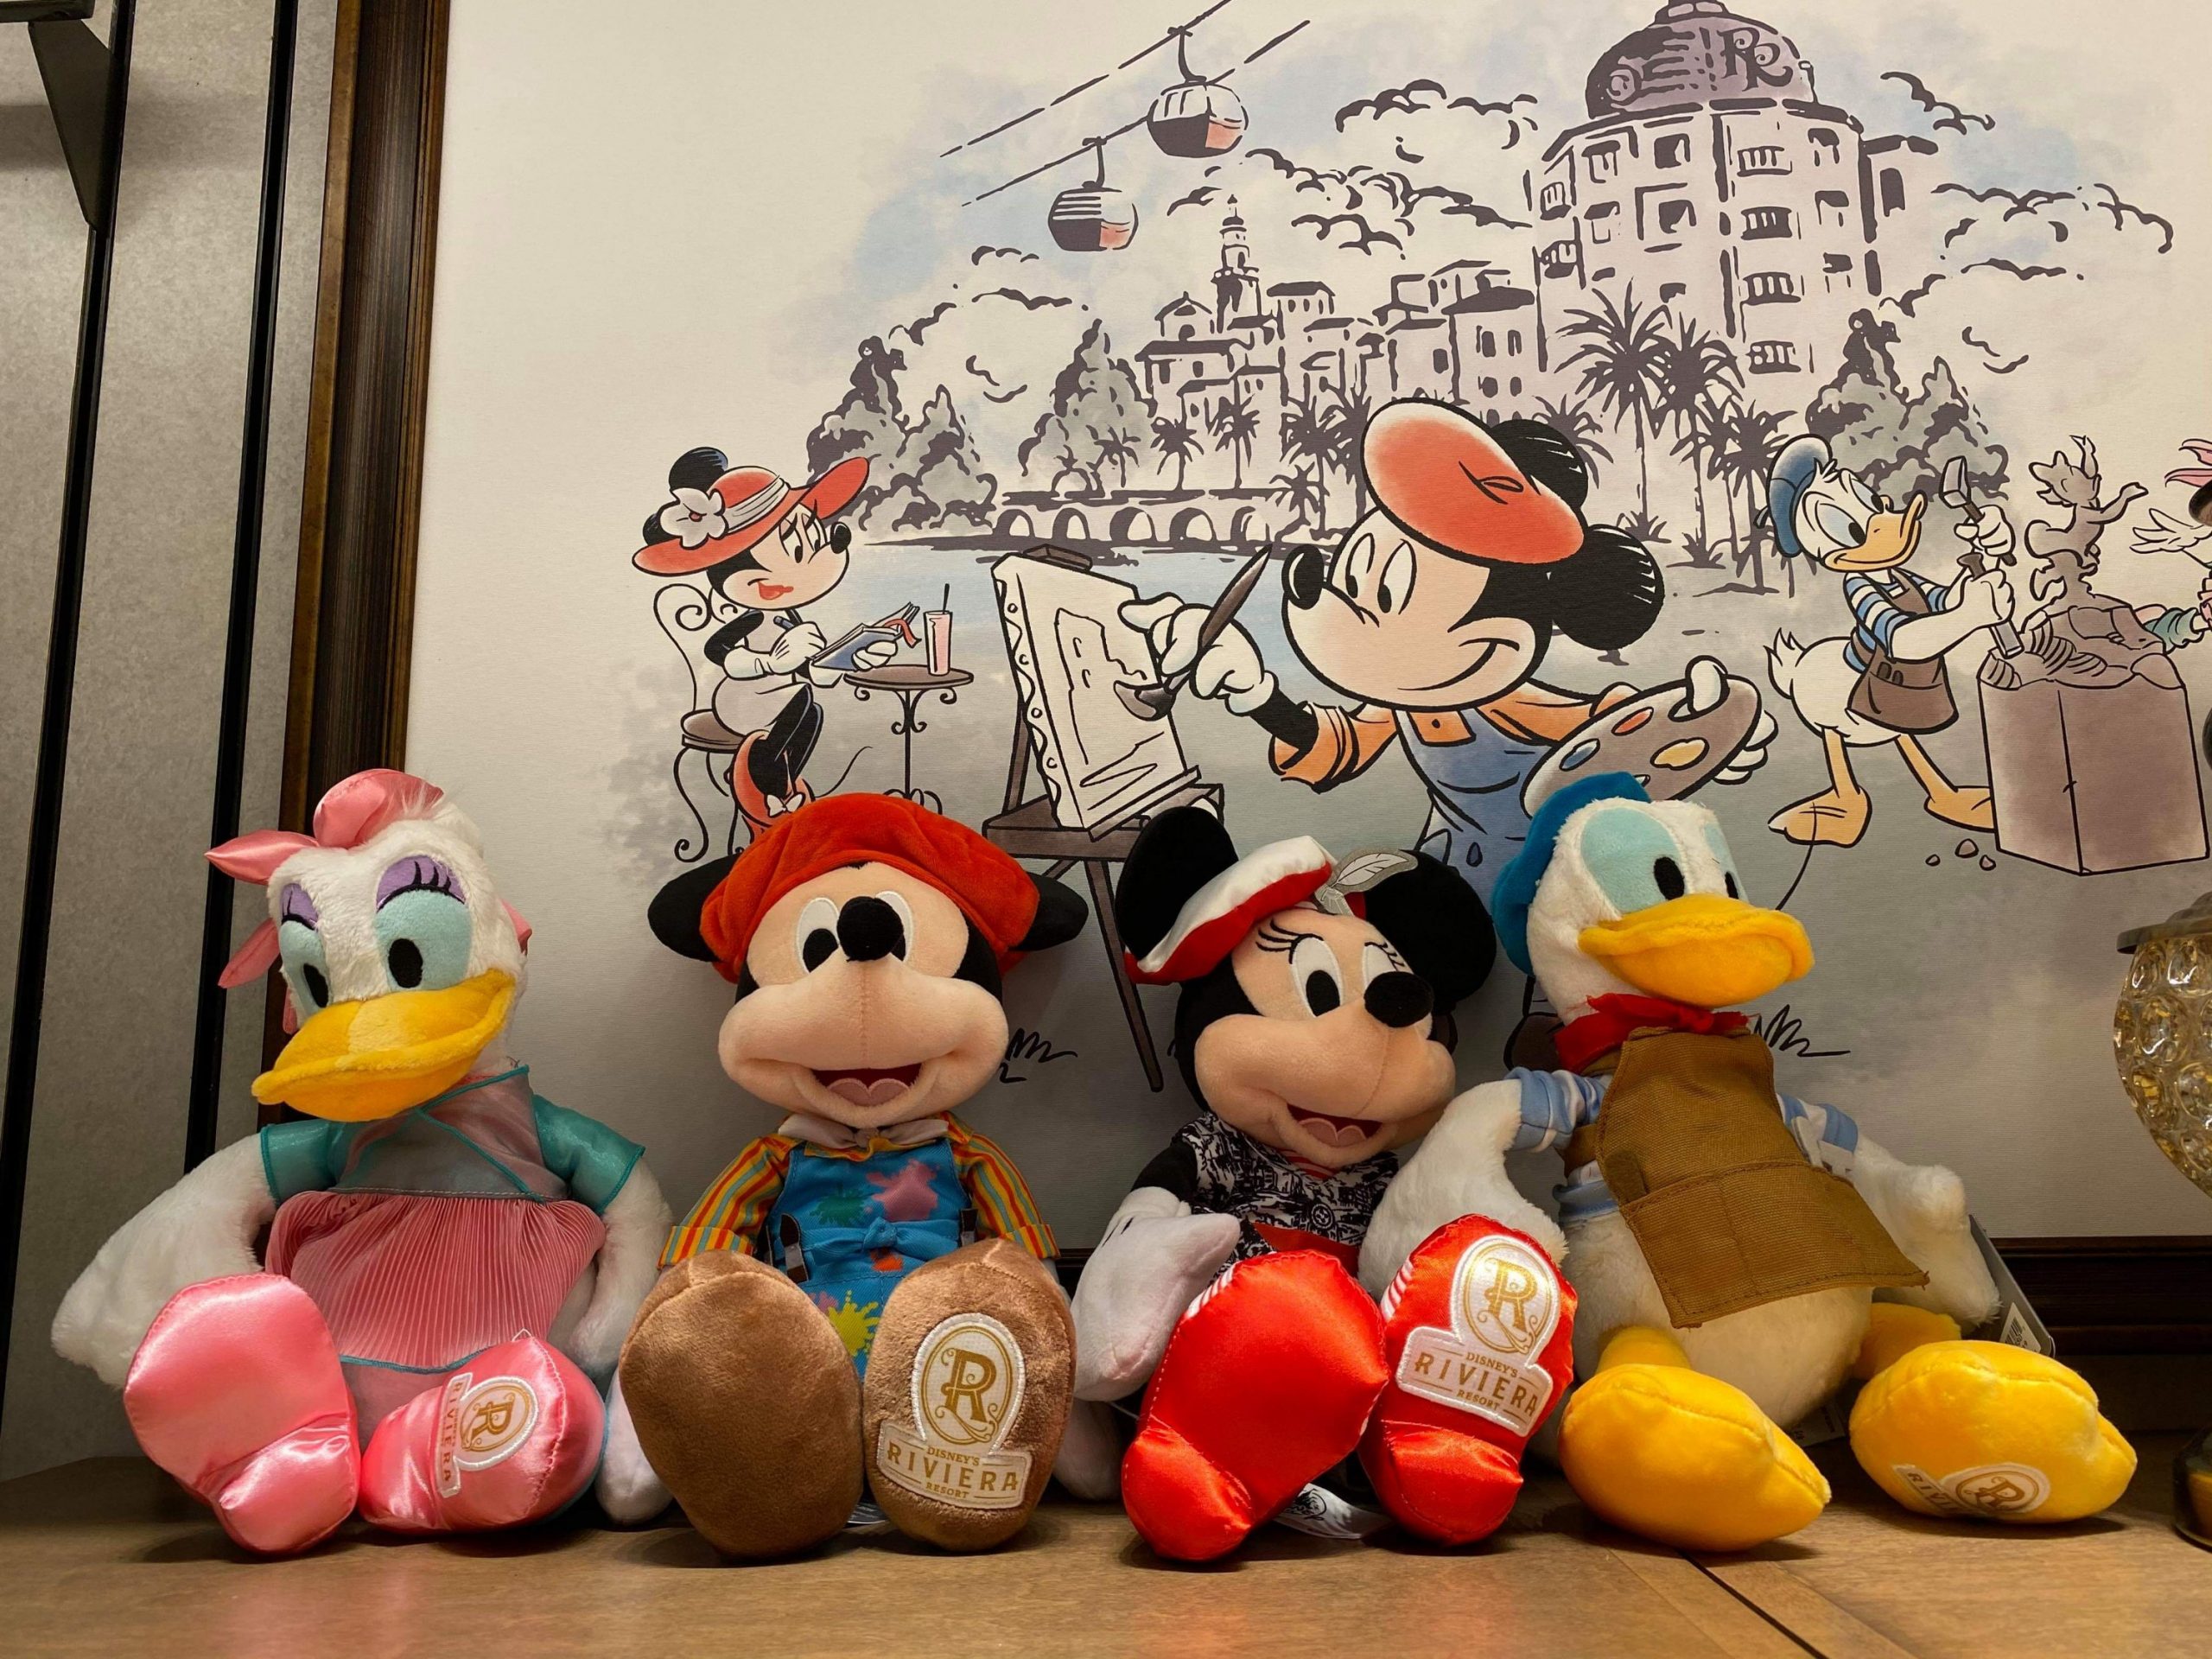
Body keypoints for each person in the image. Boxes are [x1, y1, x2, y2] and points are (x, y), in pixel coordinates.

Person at [1122, 400, 1770, 906]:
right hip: (1451, 872)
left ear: (1494, 646)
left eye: (1383, 593)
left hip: (1550, 882)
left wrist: (1713, 735)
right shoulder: (1404, 702)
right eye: (1351, 574)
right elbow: (1337, 744)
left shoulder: (1518, 705)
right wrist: (1259, 695)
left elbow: (1615, 736)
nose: (1326, 602)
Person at [635, 448, 896, 836]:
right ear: (751, 579)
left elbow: (807, 670)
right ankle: (764, 773)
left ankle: (779, 781)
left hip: (780, 696)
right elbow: (716, 649)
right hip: (743, 700)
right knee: (803, 702)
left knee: (812, 711)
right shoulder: (755, 617)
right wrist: (769, 663)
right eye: (799, 548)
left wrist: (848, 659)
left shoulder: (790, 617)